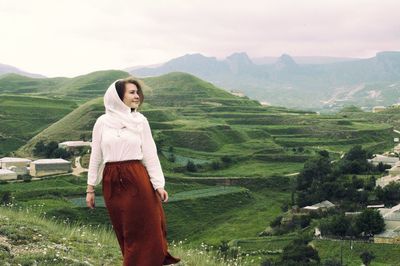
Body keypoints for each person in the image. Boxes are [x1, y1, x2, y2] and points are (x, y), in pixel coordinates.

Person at [86, 77, 181, 266]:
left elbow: (150, 154)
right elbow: (96, 155)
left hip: (136, 176)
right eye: (131, 92)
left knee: (147, 224)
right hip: (111, 180)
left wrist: (158, 184)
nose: (137, 96)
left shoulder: (140, 121)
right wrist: (90, 189)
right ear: (117, 96)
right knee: (125, 228)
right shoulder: (102, 122)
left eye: (137, 92)